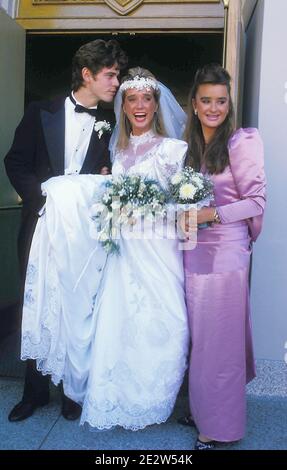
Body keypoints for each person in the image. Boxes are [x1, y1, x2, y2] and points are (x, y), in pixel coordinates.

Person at [19, 67, 190, 430]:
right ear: (124, 107)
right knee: (113, 322)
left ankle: (155, 397)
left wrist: (149, 209)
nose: (139, 105)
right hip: (120, 250)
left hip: (157, 250)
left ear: (157, 105)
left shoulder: (175, 149)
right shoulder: (118, 149)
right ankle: (111, 393)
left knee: (164, 321)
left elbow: (183, 205)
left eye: (146, 98)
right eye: (131, 99)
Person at [4, 38, 128, 422]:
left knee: (79, 309)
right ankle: (35, 393)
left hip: (83, 237)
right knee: (37, 307)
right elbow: (16, 162)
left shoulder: (110, 124)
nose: (116, 83)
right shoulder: (40, 111)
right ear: (87, 74)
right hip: (40, 228)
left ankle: (73, 391)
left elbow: (106, 176)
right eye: (110, 75)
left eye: (118, 75)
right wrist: (40, 200)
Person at [179, 63, 266, 449]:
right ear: (194, 104)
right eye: (206, 101)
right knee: (201, 339)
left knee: (220, 343)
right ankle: (202, 409)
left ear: (229, 104)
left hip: (226, 254)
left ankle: (219, 430)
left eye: (221, 101)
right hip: (193, 253)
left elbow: (256, 202)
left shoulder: (242, 142)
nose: (214, 108)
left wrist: (210, 215)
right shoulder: (191, 149)